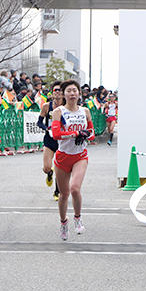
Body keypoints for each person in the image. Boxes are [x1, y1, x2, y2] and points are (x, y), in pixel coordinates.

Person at [50, 80, 95, 240]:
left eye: (75, 90)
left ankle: (77, 218)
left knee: (75, 189)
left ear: (79, 93)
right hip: (62, 157)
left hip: (80, 156)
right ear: (63, 94)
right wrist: (75, 134)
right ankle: (63, 223)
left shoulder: (85, 111)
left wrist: (86, 134)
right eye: (68, 90)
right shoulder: (58, 112)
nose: (72, 93)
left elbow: (92, 133)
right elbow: (56, 134)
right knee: (64, 194)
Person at [38, 81, 63, 200]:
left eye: (59, 90)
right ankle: (49, 173)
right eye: (55, 90)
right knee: (46, 167)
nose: (57, 92)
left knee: (60, 168)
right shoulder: (46, 106)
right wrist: (47, 128)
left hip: (62, 140)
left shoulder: (66, 107)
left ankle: (57, 191)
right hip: (49, 139)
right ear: (52, 93)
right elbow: (39, 122)